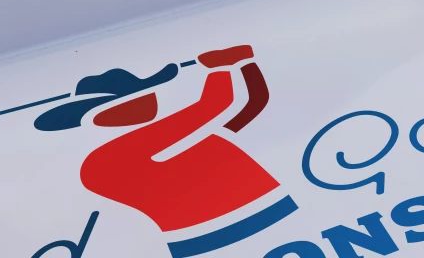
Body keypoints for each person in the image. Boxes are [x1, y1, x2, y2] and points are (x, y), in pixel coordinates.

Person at [78, 45, 297, 257]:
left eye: (148, 94)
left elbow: (253, 105)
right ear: (101, 116)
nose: (151, 100)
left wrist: (245, 65)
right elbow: (214, 105)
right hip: (216, 233)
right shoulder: (107, 159)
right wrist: (220, 67)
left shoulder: (182, 143)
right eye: (134, 101)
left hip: (267, 218)